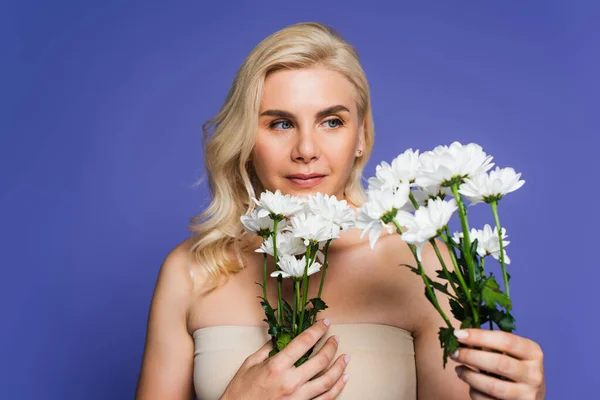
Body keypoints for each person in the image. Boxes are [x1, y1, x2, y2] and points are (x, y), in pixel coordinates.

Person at [135, 22, 546, 400]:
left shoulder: (425, 266)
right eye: (280, 124)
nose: (306, 150)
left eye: (331, 121)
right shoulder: (191, 271)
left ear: (361, 136)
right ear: (246, 137)